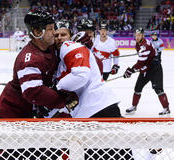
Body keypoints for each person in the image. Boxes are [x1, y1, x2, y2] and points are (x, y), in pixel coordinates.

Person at [0, 11, 78, 160]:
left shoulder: (49, 47)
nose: (55, 32)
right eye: (51, 29)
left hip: (31, 115)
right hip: (13, 116)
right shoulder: (29, 59)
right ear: (38, 32)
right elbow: (33, 92)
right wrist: (62, 100)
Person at [52, 19, 133, 159]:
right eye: (56, 35)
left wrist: (57, 87)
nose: (59, 38)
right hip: (89, 112)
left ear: (70, 36)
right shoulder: (59, 57)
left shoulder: (70, 47)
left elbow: (81, 76)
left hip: (97, 108)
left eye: (63, 34)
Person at [124, 28, 170, 115]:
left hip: (155, 68)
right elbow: (143, 60)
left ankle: (166, 108)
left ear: (143, 36)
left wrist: (131, 70)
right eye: (136, 35)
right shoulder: (139, 44)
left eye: (139, 35)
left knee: (158, 89)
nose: (137, 37)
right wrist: (137, 67)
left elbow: (141, 62)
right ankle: (134, 106)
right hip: (146, 68)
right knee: (138, 87)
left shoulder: (145, 45)